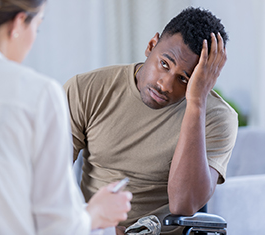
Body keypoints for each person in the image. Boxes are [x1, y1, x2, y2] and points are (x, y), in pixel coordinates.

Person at [63, 7, 238, 235]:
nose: (165, 85)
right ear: (151, 45)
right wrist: (88, 222)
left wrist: (196, 102)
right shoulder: (86, 89)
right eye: (165, 64)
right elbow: (48, 178)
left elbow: (183, 205)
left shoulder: (217, 118)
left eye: (184, 79)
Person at [0, 0, 132, 234]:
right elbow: (57, 227)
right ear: (19, 22)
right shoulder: (37, 94)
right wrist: (95, 214)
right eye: (38, 26)